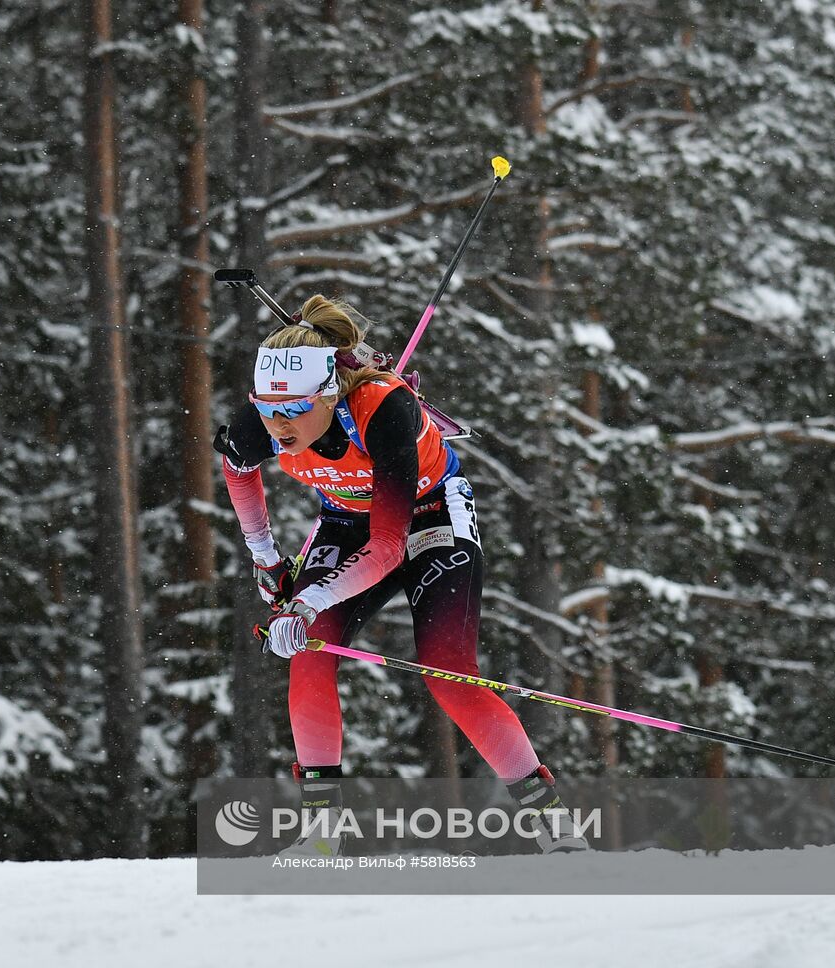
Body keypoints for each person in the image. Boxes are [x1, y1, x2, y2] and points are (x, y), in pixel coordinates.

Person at [214, 294, 586, 856]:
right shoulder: (262, 423)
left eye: (292, 410)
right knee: (310, 653)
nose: (278, 424)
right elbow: (238, 470)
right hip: (347, 521)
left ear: (327, 393)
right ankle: (321, 838)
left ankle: (555, 831)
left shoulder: (383, 410)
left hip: (431, 518)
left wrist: (307, 603)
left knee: (447, 673)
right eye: (267, 409)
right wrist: (268, 560)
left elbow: (390, 546)